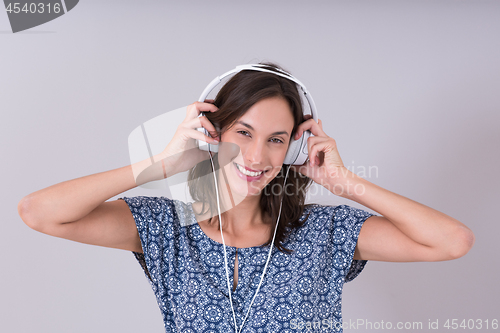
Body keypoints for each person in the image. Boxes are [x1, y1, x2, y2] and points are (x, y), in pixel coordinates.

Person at [18, 63, 475, 333]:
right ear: (213, 133)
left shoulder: (324, 233)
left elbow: (452, 240)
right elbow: (39, 212)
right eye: (244, 132)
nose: (257, 156)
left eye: (277, 139)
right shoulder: (168, 229)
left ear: (294, 146)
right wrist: (160, 165)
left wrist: (344, 182)